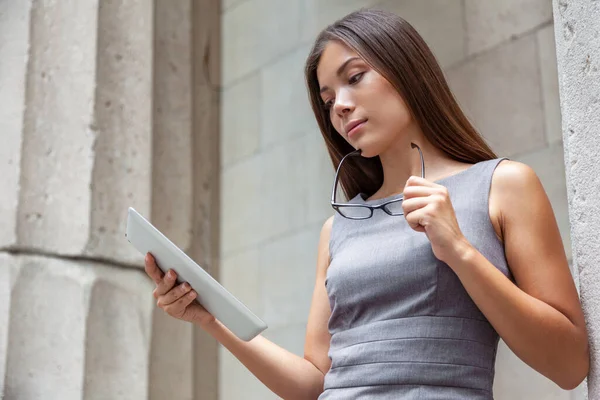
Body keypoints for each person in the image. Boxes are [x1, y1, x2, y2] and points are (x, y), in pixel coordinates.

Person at [144, 8, 589, 399]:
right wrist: (210, 319)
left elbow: (570, 366)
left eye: (354, 78)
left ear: (406, 69)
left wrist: (459, 250)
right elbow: (316, 384)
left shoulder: (504, 185)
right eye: (327, 99)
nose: (339, 105)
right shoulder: (336, 230)